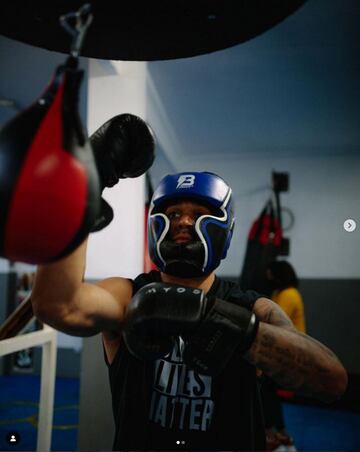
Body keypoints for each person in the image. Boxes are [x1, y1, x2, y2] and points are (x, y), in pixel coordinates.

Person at [31, 169, 348, 451]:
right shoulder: (127, 295)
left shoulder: (252, 307)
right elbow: (57, 305)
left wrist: (240, 332)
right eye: (173, 213)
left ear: (223, 230)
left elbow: (332, 382)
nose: (183, 221)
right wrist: (82, 190)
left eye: (198, 214)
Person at [262, 260, 306, 451]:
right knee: (268, 393)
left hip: (289, 353)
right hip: (279, 350)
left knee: (266, 392)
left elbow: (276, 324)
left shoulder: (289, 295)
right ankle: (279, 435)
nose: (268, 277)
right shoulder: (278, 293)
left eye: (270, 273)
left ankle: (278, 436)